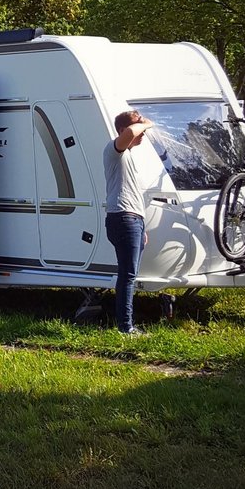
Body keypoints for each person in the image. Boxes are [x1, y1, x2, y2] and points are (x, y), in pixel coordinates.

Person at [104, 110, 155, 335]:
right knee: (127, 276)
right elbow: (134, 131)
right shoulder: (114, 149)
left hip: (132, 219)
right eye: (137, 126)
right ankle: (126, 327)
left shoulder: (129, 155)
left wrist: (142, 225)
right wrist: (146, 122)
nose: (143, 131)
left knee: (129, 274)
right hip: (124, 219)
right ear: (123, 131)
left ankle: (126, 325)